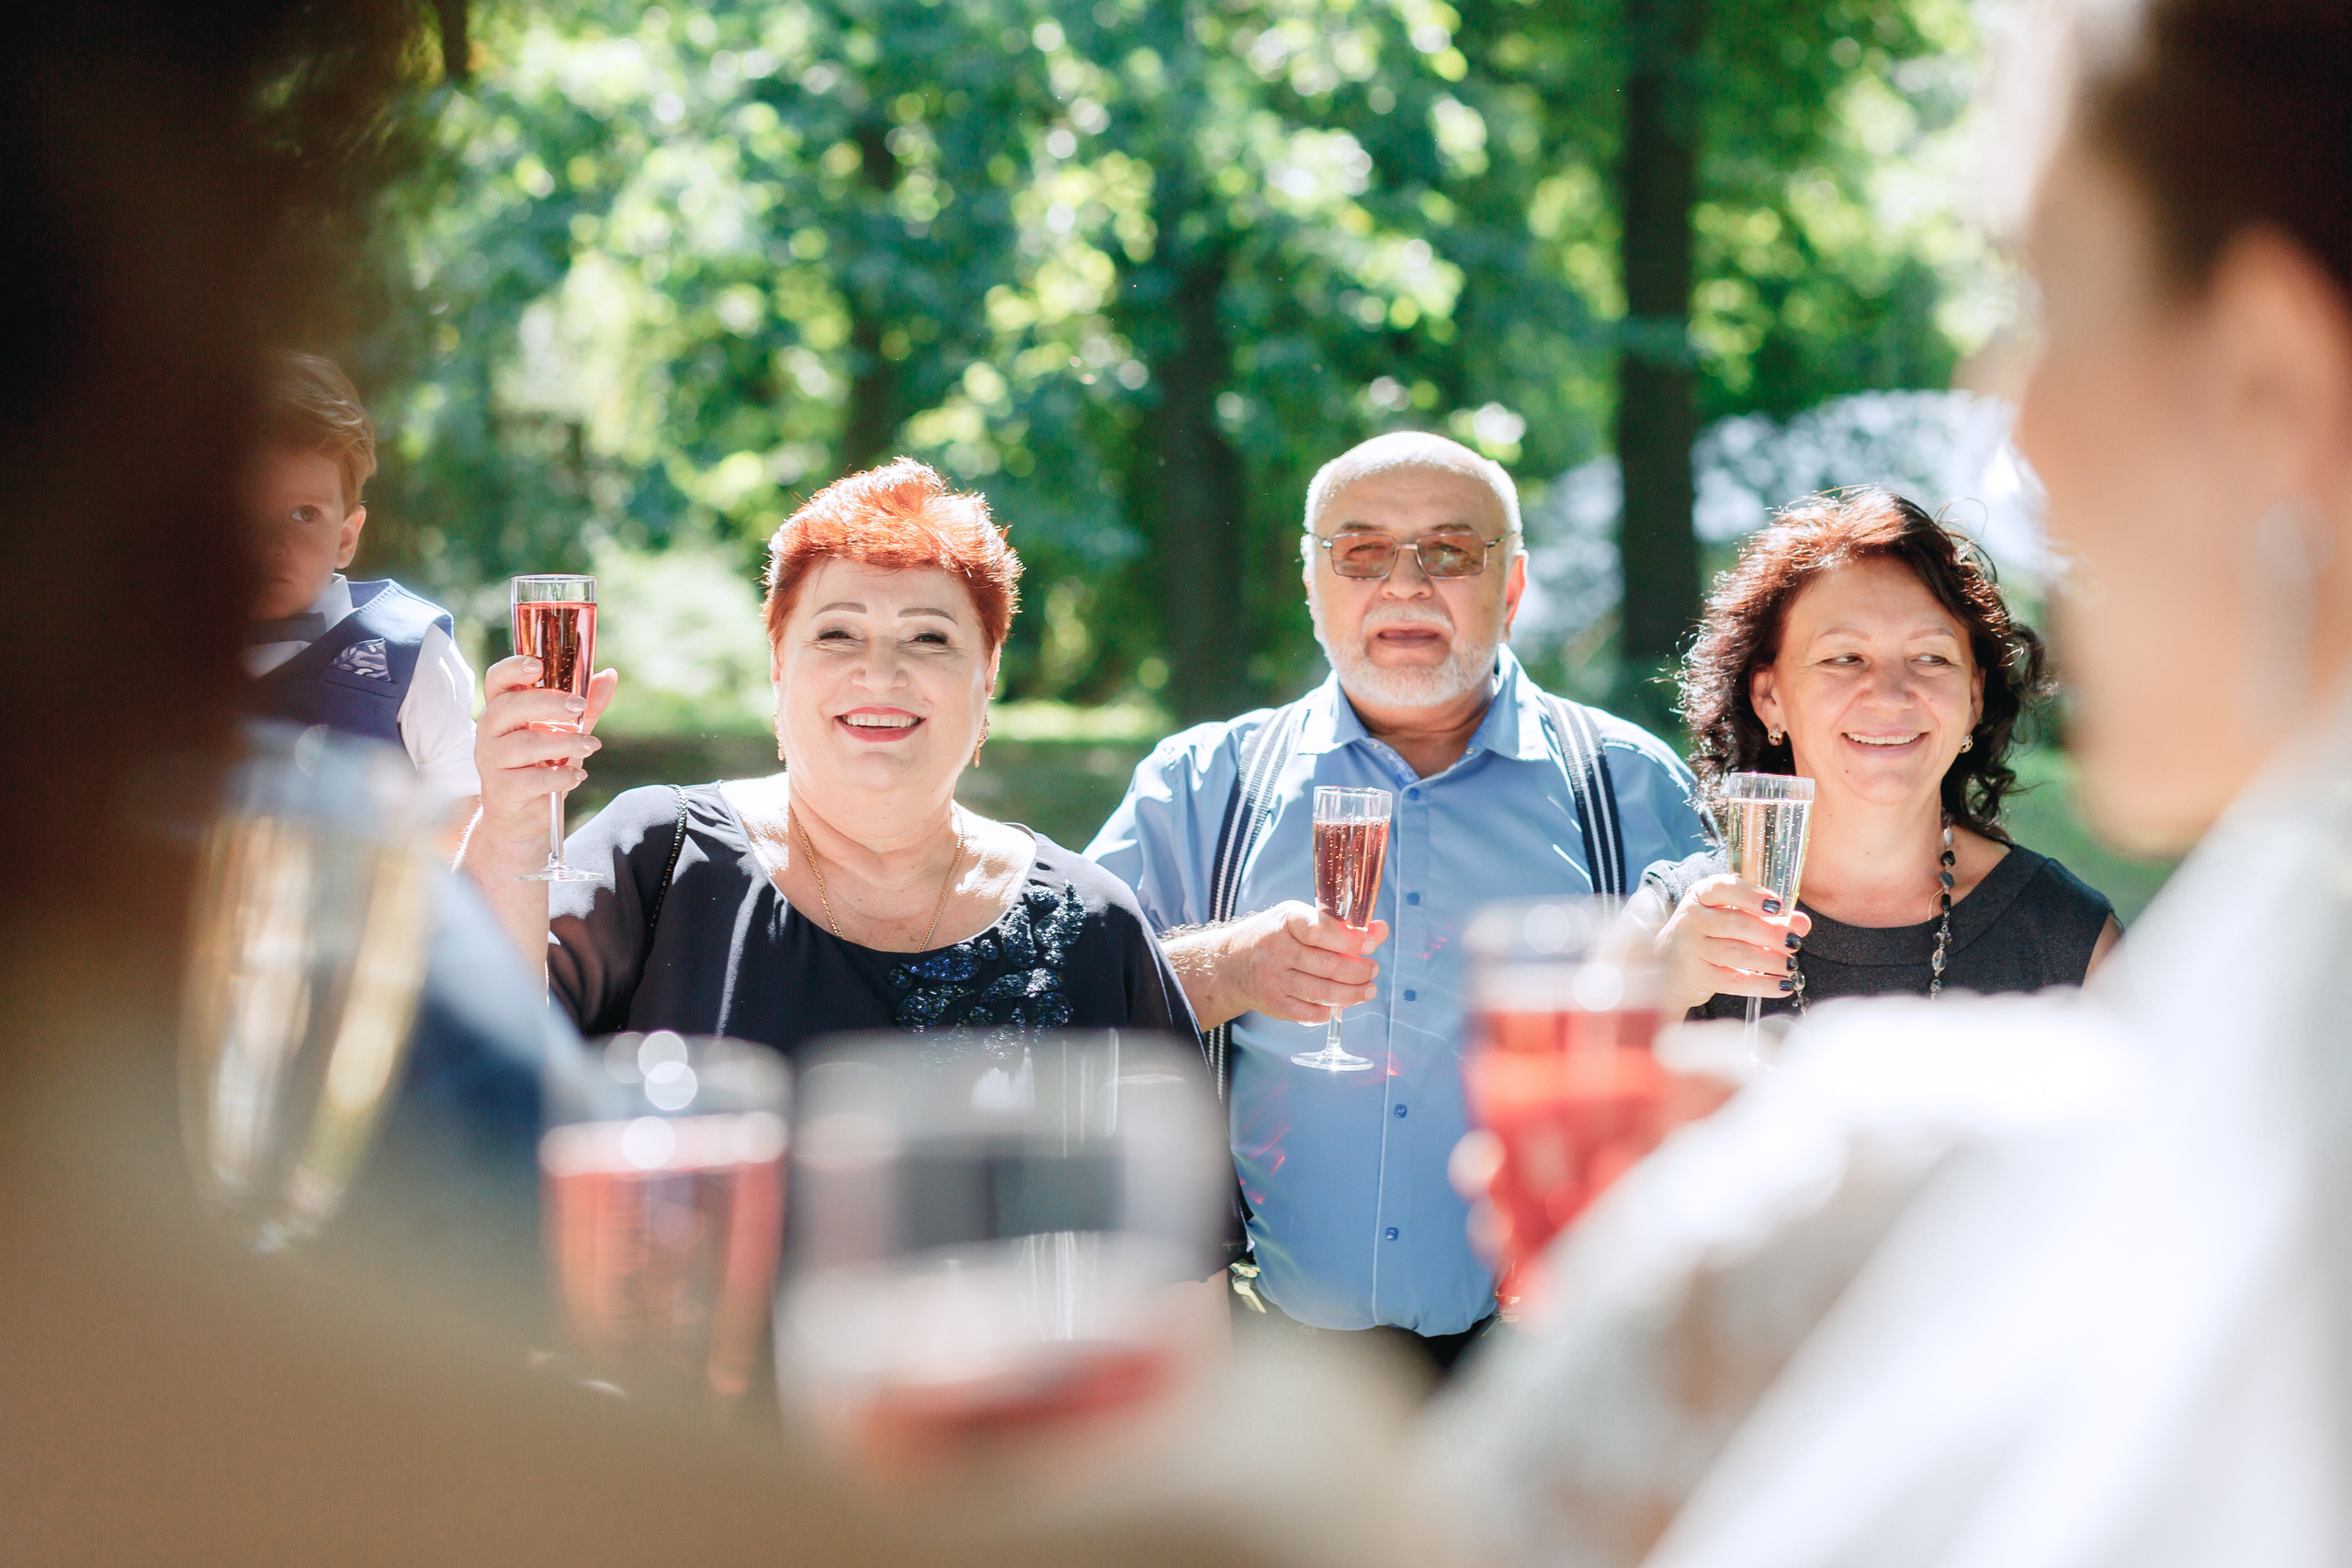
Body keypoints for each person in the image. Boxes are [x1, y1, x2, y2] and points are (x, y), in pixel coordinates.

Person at [1424, 0, 2352, 1561]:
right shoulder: (2287, 901)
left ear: (2271, 383)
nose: (2010, 415)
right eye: (1843, 659)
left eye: (2042, 296)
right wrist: (1847, 1137)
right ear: (1769, 697)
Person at [1087, 431, 1710, 1371]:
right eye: (1362, 551)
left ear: (1512, 586)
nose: (1407, 584)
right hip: (1267, 1354)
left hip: (1549, 1355)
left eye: (1451, 552)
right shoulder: (1203, 783)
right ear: (1312, 583)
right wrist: (1230, 967)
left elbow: (1728, 1037)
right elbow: (1066, 1001)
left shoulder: (1628, 784)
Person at [460, 457, 1199, 1065]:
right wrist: (513, 831)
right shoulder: (659, 858)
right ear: (779, 667)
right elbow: (477, 1075)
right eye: (838, 633)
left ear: (989, 674)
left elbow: (1176, 1195)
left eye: (930, 637)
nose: (880, 673)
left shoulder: (1092, 924)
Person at [1632, 487, 2120, 1019]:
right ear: (1770, 699)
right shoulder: (1667, 925)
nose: (1890, 695)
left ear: (1974, 699)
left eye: (1930, 657)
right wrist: (1657, 996)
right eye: (1845, 657)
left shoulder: (2073, 941)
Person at [243, 350, 481, 829]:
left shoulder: (411, 653)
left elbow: (466, 821)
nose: (270, 543)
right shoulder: (151, 654)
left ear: (346, 538)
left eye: (304, 514)